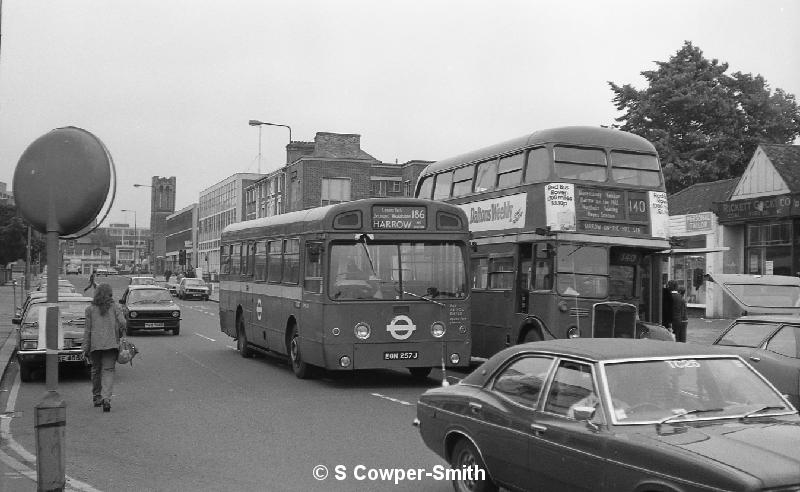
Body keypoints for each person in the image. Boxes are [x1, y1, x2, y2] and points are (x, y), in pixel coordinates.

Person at [82, 283, 127, 412]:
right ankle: (106, 399)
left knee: (96, 370)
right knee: (108, 370)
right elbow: (123, 323)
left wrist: (85, 347)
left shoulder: (90, 309)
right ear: (110, 294)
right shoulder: (115, 307)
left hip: (95, 345)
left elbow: (87, 330)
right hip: (111, 344)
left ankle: (97, 397)